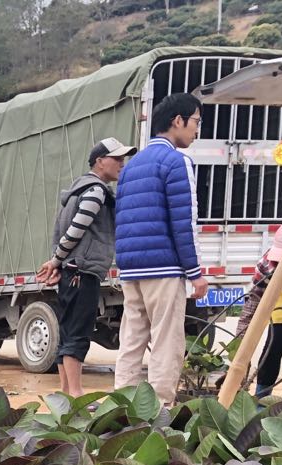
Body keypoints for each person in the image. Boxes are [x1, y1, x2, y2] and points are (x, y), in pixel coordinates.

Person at [113, 92, 209, 406]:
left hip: (131, 270)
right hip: (164, 268)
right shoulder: (177, 161)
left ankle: (121, 408)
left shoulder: (131, 166)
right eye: (195, 122)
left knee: (132, 340)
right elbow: (184, 221)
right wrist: (195, 273)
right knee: (167, 341)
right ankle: (161, 411)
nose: (196, 130)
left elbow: (123, 219)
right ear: (177, 121)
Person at [38, 137, 135, 396]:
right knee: (79, 333)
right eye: (116, 159)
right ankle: (77, 393)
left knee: (68, 331)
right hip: (83, 271)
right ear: (99, 161)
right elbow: (76, 229)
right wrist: (57, 260)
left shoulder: (76, 190)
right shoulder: (96, 191)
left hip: (71, 271)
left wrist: (57, 261)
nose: (121, 164)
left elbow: (63, 231)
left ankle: (67, 393)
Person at [236, 220, 282, 399]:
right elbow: (253, 303)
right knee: (272, 350)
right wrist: (239, 345)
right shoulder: (267, 266)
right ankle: (262, 399)